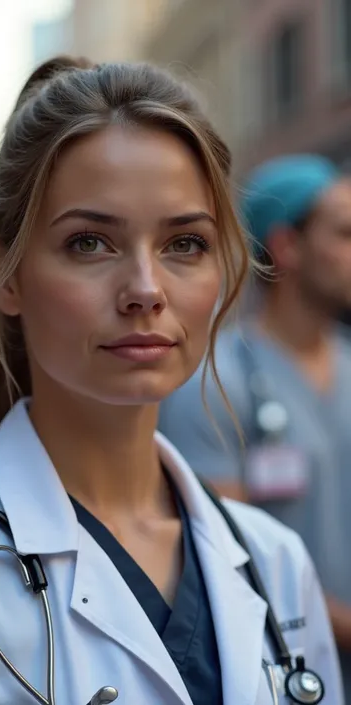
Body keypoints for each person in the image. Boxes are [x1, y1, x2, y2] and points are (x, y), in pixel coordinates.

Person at [0, 60, 343, 705]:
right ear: (4, 275)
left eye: (185, 244)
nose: (146, 291)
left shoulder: (276, 563)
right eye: (90, 243)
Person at [159, 153, 351, 699]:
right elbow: (231, 564)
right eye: (344, 233)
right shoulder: (215, 384)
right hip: (283, 674)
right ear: (288, 245)